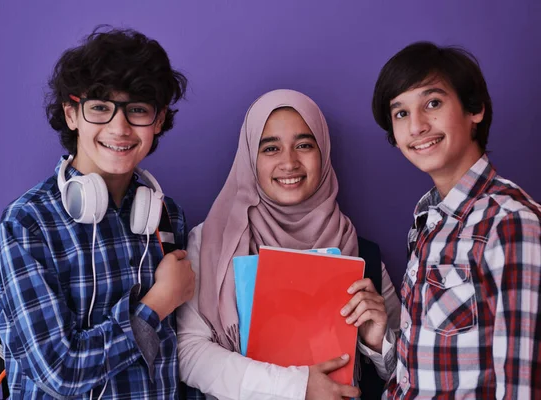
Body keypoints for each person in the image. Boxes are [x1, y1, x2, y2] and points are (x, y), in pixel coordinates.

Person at [0, 26, 195, 399]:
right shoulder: (28, 223)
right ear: (72, 114)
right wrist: (157, 304)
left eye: (137, 110)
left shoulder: (169, 219)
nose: (119, 128)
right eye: (100, 107)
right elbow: (59, 371)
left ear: (159, 120)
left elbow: (183, 360)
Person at [177, 89, 401, 399]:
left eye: (304, 145)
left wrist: (378, 342)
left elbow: (410, 374)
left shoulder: (361, 253)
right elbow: (189, 354)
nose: (289, 162)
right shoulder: (212, 241)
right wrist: (296, 387)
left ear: (323, 152)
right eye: (270, 148)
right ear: (249, 159)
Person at [371, 41, 541, 399]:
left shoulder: (509, 223)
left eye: (432, 103)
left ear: (474, 109)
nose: (416, 126)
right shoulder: (428, 220)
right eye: (400, 113)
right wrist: (380, 338)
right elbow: (424, 373)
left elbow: (523, 385)